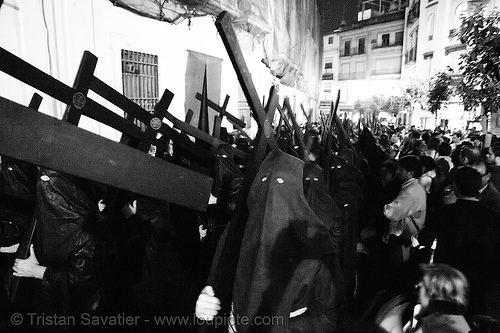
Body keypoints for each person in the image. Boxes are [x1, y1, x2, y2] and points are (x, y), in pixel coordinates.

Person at [196, 149, 345, 332]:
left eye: (282, 183)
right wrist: (205, 307)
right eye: (264, 182)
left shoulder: (316, 245)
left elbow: (330, 314)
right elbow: (215, 291)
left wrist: (285, 327)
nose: (271, 195)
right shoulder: (234, 236)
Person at [418, 166, 500, 321]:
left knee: (446, 318)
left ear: (455, 187)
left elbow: (424, 238)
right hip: (480, 278)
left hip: (448, 278)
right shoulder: (493, 217)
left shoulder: (444, 213)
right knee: (473, 318)